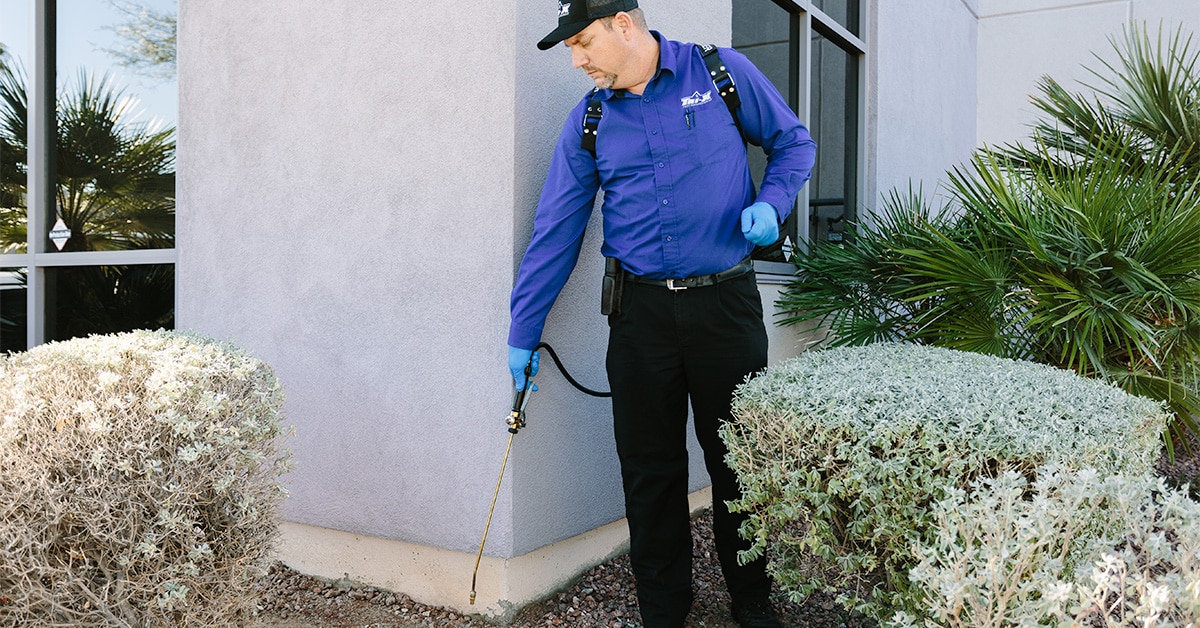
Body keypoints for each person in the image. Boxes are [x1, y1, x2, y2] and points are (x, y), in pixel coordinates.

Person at [507, 1, 816, 626]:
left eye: (583, 41)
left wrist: (774, 202)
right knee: (650, 474)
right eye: (569, 48)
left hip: (725, 306)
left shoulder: (719, 75)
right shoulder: (590, 119)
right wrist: (523, 331)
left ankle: (753, 604)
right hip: (640, 317)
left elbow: (793, 142)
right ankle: (664, 610)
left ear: (625, 23)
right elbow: (556, 231)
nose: (578, 59)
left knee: (739, 462)